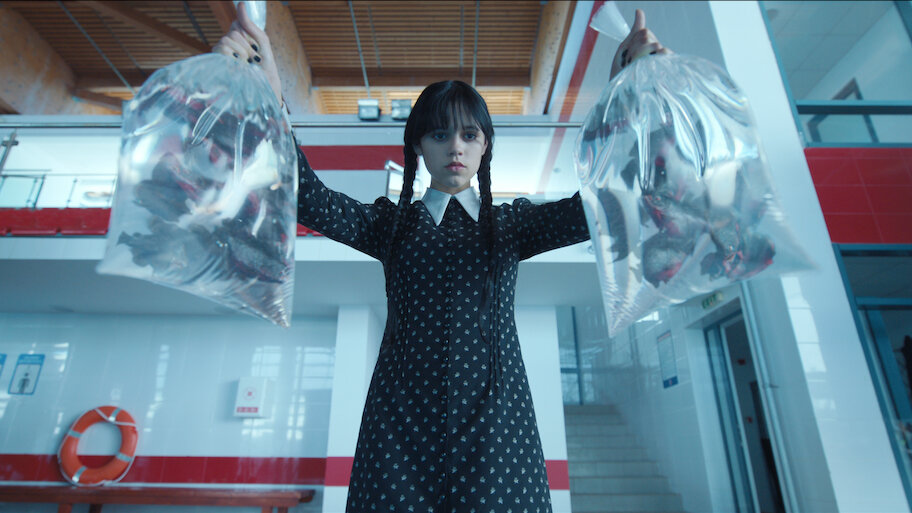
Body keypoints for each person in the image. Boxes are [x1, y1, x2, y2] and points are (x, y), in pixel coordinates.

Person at [215, 4, 667, 512]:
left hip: (498, 429)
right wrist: (269, 92)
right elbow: (307, 196)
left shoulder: (512, 225)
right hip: (398, 429)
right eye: (439, 134)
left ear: (485, 146)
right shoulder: (390, 225)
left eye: (469, 135)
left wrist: (632, 91)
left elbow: (607, 199)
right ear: (418, 146)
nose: (455, 147)